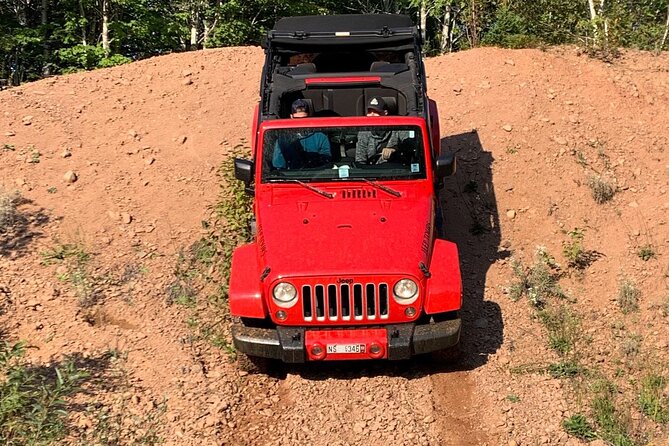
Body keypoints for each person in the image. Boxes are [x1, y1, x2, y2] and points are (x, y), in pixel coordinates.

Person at [272, 99, 331, 169]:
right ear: (291, 117)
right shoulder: (283, 140)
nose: (301, 122)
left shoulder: (321, 137)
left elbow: (327, 161)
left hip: (317, 176)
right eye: (297, 119)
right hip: (293, 177)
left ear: (309, 116)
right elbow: (279, 166)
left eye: (304, 118)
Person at [355, 96, 398, 164]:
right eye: (369, 112)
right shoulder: (364, 132)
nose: (372, 115)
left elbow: (410, 145)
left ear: (385, 113)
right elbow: (360, 160)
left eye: (376, 112)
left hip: (394, 170)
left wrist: (394, 149)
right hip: (372, 171)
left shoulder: (397, 128)